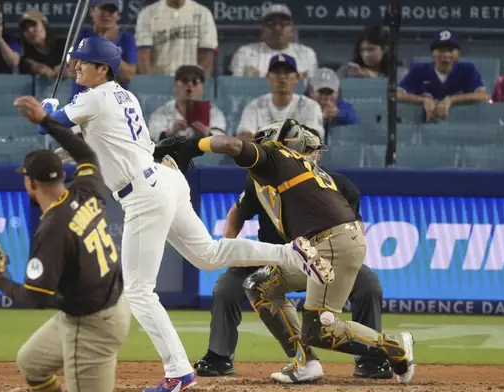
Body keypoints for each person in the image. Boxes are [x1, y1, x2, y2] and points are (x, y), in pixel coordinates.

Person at [35, 36, 333, 392]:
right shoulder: (121, 95)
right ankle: (289, 253)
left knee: (138, 291)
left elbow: (48, 121)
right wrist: (57, 131)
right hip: (164, 179)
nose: (76, 66)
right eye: (77, 60)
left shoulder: (94, 96)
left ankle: (178, 372)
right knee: (208, 254)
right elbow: (91, 143)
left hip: (145, 191)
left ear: (103, 69)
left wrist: (48, 112)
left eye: (84, 62)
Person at [192, 119, 416, 385]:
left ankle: (394, 346)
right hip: (302, 252)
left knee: (321, 330)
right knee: (259, 285)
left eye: (268, 142)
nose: (262, 147)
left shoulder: (282, 162)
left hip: (327, 246)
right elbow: (239, 211)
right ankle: (305, 363)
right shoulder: (290, 172)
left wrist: (194, 145)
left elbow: (232, 145)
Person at [0, 96, 131, 392]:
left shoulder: (53, 230)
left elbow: (35, 297)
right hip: (106, 306)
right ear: (62, 175)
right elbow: (86, 155)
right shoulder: (86, 188)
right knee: (32, 362)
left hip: (92, 326)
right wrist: (45, 120)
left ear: (30, 185)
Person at [397, 29, 488, 122]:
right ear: (432, 52)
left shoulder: (468, 69)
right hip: (424, 125)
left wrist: (451, 100)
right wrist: (423, 100)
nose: (446, 55)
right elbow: (397, 94)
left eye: (450, 50)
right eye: (441, 50)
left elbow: (483, 95)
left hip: (459, 125)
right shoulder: (419, 70)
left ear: (458, 53)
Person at [237, 54, 324, 141]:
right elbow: (244, 137)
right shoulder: (255, 106)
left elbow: (312, 141)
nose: (282, 77)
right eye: (277, 72)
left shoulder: (310, 106)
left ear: (297, 77)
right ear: (268, 77)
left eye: (287, 72)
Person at [229, 4, 317, 79]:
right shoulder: (245, 53)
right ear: (263, 30)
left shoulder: (307, 54)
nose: (277, 28)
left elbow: (314, 90)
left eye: (283, 23)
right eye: (271, 23)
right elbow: (234, 87)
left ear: (292, 30)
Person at [135, 0, 218, 77]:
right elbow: (143, 57)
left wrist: (196, 85)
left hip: (190, 85)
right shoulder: (147, 14)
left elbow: (207, 59)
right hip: (159, 82)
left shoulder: (203, 14)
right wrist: (153, 86)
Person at [148, 64, 226, 142]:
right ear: (175, 86)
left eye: (195, 81)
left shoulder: (213, 112)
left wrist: (207, 134)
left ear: (202, 88)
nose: (190, 85)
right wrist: (171, 132)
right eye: (184, 80)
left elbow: (221, 140)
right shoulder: (162, 112)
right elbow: (155, 137)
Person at [336, 25, 407, 81]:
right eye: (362, 50)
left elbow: (400, 95)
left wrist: (373, 78)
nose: (365, 54)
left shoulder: (399, 73)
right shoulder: (346, 70)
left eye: (371, 50)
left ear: (385, 49)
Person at [18, 10, 68, 78]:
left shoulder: (65, 46)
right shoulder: (26, 60)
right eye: (25, 29)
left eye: (33, 24)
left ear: (45, 25)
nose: (30, 30)